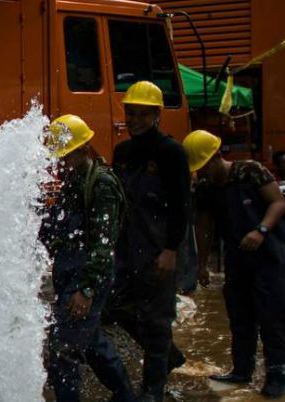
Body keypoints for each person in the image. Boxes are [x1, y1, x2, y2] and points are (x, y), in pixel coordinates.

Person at [187, 130, 285, 398]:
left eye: (204, 168)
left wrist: (261, 230)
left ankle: (276, 373)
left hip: (270, 253)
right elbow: (204, 226)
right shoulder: (206, 188)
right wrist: (201, 264)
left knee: (272, 314)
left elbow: (278, 203)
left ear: (215, 157)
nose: (201, 174)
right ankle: (242, 368)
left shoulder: (250, 171)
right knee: (239, 314)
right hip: (238, 257)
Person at [42, 115, 136, 402]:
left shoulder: (102, 184)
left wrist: (86, 290)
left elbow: (103, 243)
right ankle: (125, 395)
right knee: (92, 342)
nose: (62, 162)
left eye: (67, 155)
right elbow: (60, 230)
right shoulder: (74, 181)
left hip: (87, 276)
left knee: (62, 350)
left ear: (84, 150)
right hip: (70, 273)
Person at [105, 80, 190, 401]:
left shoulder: (172, 153)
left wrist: (171, 250)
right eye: (131, 113)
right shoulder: (123, 152)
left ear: (157, 115)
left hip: (158, 247)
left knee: (156, 320)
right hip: (127, 247)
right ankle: (166, 356)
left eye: (143, 114)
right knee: (116, 305)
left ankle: (153, 389)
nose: (135, 120)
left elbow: (183, 205)